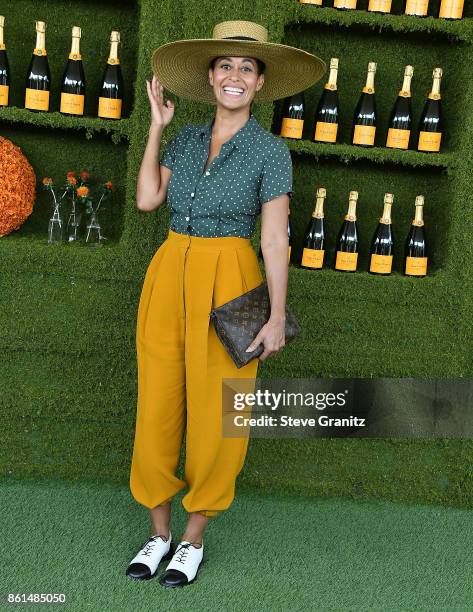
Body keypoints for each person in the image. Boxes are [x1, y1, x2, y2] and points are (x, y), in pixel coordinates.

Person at [125, 20, 325, 588]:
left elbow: (274, 239)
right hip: (169, 272)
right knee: (158, 404)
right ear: (209, 77)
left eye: (246, 68)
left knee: (219, 416)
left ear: (259, 84)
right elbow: (146, 200)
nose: (233, 76)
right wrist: (157, 129)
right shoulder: (184, 137)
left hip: (232, 276)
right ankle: (158, 534)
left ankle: (191, 540)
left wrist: (278, 315)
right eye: (224, 66)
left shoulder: (270, 150)